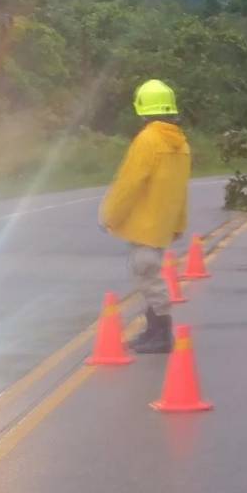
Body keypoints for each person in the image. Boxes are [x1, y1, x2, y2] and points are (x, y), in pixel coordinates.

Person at [100, 79, 192, 354]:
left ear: (142, 107)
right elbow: (180, 189)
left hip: (143, 225)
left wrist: (110, 215)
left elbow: (129, 183)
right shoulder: (181, 144)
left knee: (148, 276)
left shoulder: (148, 140)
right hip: (162, 225)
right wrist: (178, 223)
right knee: (149, 275)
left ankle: (161, 334)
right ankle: (152, 330)